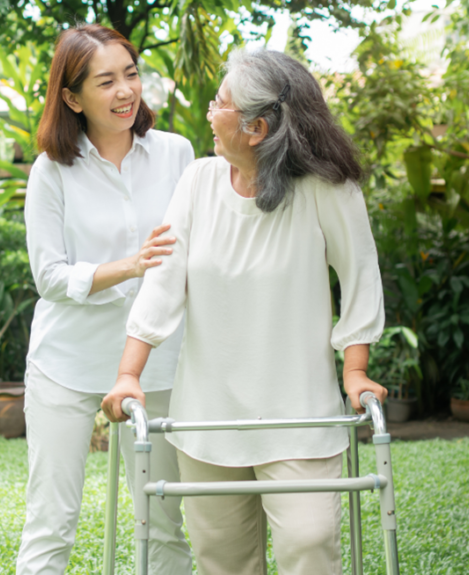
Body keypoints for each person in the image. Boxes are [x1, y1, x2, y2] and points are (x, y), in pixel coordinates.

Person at [101, 48, 388, 575]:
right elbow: (164, 281)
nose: (210, 113)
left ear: (256, 129)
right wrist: (128, 374)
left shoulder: (327, 188)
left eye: (220, 104)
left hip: (298, 413)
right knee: (223, 561)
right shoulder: (198, 182)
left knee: (310, 543)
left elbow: (360, 276)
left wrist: (355, 369)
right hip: (209, 415)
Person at [17, 24, 194, 575]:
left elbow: (194, 256)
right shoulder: (51, 170)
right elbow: (48, 276)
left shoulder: (176, 154)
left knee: (163, 518)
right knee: (52, 519)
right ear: (71, 97)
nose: (125, 92)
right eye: (106, 81)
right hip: (67, 362)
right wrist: (130, 266)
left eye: (132, 74)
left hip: (160, 361)